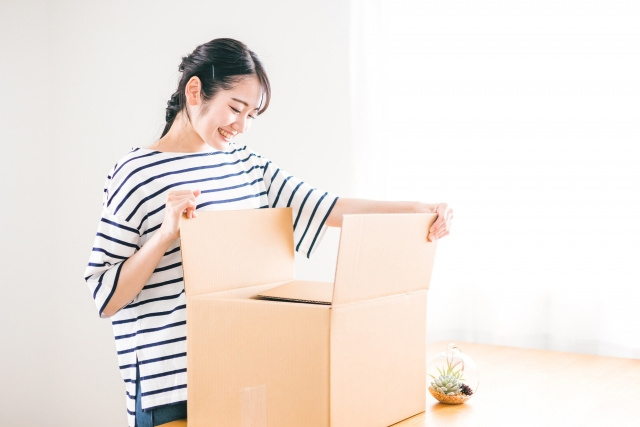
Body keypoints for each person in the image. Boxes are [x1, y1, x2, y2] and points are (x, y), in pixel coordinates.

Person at [84, 38, 453, 427]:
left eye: (251, 115)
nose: (241, 126)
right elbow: (105, 296)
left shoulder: (247, 166)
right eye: (235, 108)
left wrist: (420, 210)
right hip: (172, 387)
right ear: (194, 91)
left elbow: (328, 207)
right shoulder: (136, 173)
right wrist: (164, 235)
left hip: (243, 371)